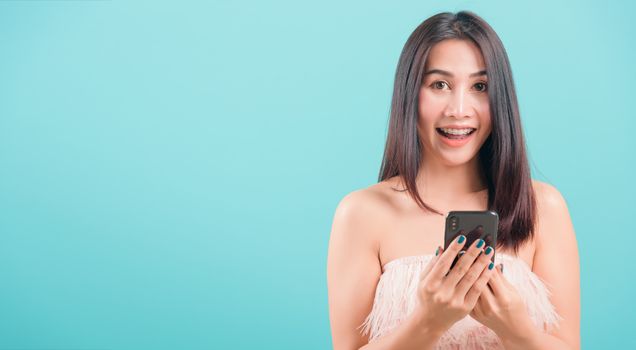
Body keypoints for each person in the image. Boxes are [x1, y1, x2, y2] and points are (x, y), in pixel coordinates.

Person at [326, 11, 580, 350]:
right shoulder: (361, 213)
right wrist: (428, 321)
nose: (459, 109)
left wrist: (516, 331)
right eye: (439, 85)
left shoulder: (542, 207)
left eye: (480, 87)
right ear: (409, 95)